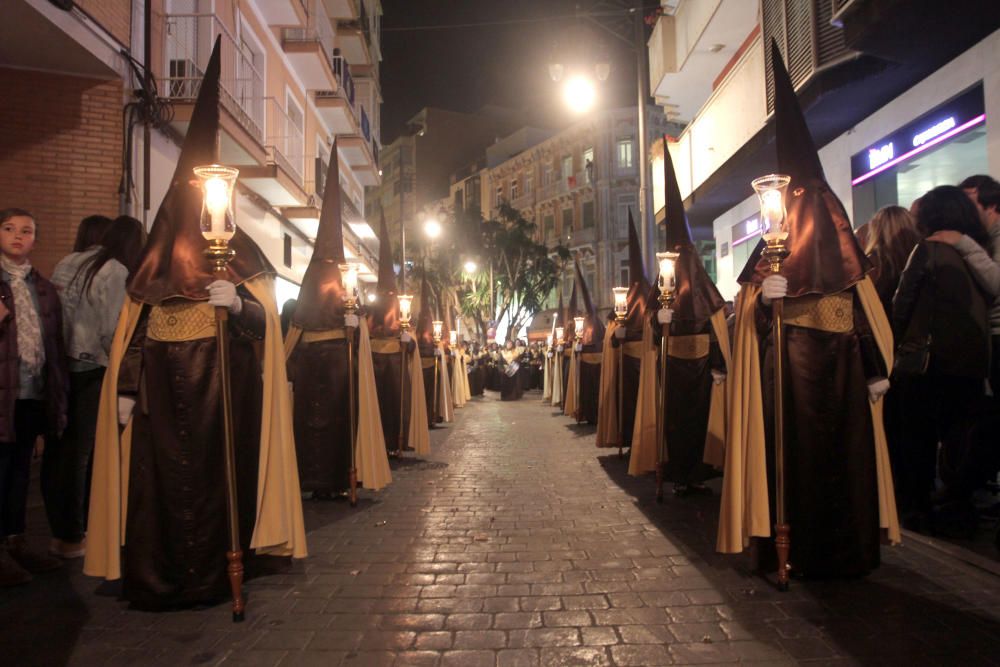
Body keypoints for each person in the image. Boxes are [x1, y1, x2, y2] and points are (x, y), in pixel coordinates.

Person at [84, 40, 307, 608]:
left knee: (217, 482)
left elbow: (264, 324)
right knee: (156, 486)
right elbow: (135, 328)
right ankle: (159, 577)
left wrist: (239, 306)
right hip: (160, 388)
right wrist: (128, 389)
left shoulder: (243, 254)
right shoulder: (153, 261)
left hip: (221, 387)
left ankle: (220, 571)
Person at [717, 42, 900, 578]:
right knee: (789, 460)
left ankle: (845, 551)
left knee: (844, 462)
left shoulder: (835, 224)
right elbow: (749, 319)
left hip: (842, 368)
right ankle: (787, 547)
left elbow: (859, 302)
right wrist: (763, 300)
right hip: (787, 370)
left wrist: (872, 367)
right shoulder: (777, 238)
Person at [285, 140, 390, 499]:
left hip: (339, 370)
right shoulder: (311, 281)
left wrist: (353, 324)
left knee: (337, 424)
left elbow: (358, 328)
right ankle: (311, 479)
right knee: (310, 426)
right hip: (315, 368)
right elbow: (296, 324)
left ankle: (336, 477)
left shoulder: (341, 283)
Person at [629, 140, 730, 495]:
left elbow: (717, 322)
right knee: (676, 422)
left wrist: (719, 364)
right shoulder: (663, 282)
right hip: (672, 366)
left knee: (700, 422)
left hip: (702, 367)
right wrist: (660, 318)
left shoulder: (702, 283)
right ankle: (676, 473)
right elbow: (650, 327)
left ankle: (698, 473)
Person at [892, 185, 992, 527]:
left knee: (918, 440)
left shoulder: (928, 249)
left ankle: (918, 509)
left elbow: (902, 304)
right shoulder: (979, 252)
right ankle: (958, 508)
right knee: (960, 438)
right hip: (971, 361)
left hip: (926, 361)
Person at [44, 215, 142, 559]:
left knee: (59, 450)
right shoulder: (115, 270)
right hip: (92, 365)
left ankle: (59, 530)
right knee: (83, 453)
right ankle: (75, 533)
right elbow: (112, 329)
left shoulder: (69, 261)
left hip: (59, 364)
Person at [0, 209, 69, 587]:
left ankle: (16, 542)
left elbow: (54, 344)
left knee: (20, 472)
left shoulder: (41, 286)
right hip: (3, 392)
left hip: (31, 391)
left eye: (26, 231)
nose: (17, 236)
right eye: (9, 229)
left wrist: (56, 395)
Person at [367, 213, 428, 458]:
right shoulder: (370, 317)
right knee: (377, 408)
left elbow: (412, 345)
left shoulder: (402, 318)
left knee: (395, 406)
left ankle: (397, 442)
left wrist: (407, 341)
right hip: (374, 371)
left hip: (395, 370)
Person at [597, 212, 648, 451]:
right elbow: (613, 344)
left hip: (651, 365)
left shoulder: (655, 298)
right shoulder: (623, 305)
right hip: (627, 368)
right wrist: (617, 338)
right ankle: (626, 438)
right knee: (629, 404)